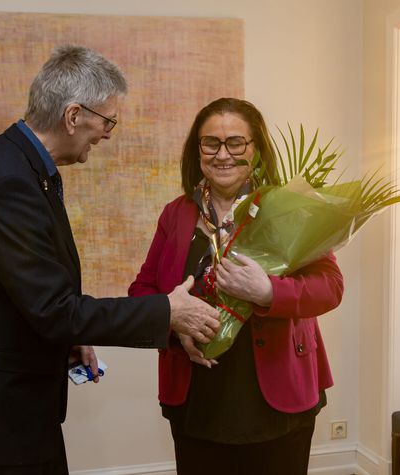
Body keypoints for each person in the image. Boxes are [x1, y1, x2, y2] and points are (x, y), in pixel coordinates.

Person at [0, 44, 220, 475]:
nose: (108, 133)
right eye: (107, 120)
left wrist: (68, 334)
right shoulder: (10, 181)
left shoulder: (20, 162)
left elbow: (30, 292)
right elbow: (54, 309)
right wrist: (167, 310)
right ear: (74, 115)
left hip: (6, 402)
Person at [128, 98, 344, 474]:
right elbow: (143, 289)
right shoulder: (176, 214)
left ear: (256, 148)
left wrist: (269, 293)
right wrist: (175, 324)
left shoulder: (287, 206)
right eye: (211, 143)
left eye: (236, 142)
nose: (223, 154)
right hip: (196, 393)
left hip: (279, 391)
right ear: (197, 150)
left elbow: (330, 285)